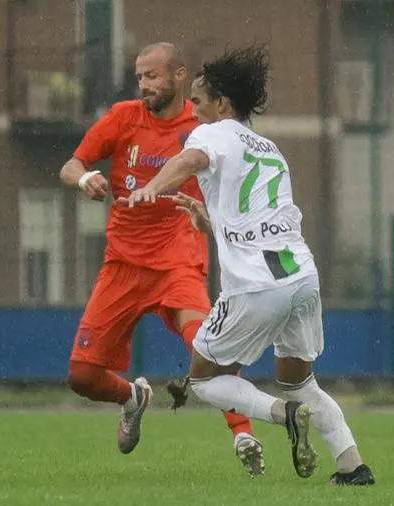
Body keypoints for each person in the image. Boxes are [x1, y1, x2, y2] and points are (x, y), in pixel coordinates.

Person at [122, 45, 376, 486]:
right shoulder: (269, 148)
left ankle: (283, 415)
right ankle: (353, 467)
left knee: (201, 379)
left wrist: (151, 187)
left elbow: (190, 160)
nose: (192, 110)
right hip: (300, 276)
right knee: (299, 380)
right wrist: (211, 223)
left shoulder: (214, 133)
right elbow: (261, 218)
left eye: (198, 101)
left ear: (222, 103)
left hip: (256, 285)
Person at [58, 42, 262, 474]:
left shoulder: (202, 123)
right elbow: (71, 165)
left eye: (152, 76)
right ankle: (133, 398)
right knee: (82, 377)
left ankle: (243, 434)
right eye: (140, 77)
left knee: (206, 346)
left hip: (178, 260)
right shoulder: (123, 116)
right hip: (123, 263)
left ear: (178, 76)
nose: (145, 85)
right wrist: (86, 177)